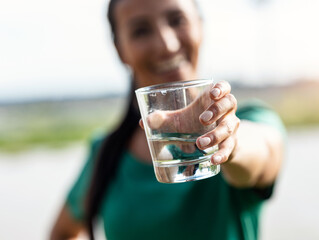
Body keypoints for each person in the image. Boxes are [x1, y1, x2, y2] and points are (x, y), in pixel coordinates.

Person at [50, 0, 286, 239]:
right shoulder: (106, 153)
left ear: (200, 27)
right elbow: (62, 232)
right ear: (120, 50)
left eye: (177, 20)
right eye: (141, 30)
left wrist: (229, 140)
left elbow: (264, 151)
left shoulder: (251, 120)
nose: (167, 44)